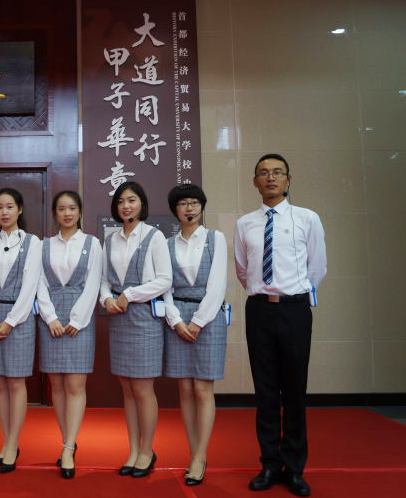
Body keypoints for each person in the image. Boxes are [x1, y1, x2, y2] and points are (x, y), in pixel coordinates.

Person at [234, 154, 326, 497]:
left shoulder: (307, 218)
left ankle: (295, 467)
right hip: (259, 311)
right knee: (266, 392)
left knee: (295, 391)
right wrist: (264, 293)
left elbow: (317, 267)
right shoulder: (245, 223)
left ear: (288, 179)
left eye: (277, 172)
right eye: (263, 173)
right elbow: (242, 270)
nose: (270, 177)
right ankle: (270, 464)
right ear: (255, 182)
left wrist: (294, 294)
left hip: (294, 311)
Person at [100, 181, 173, 478]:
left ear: (141, 203)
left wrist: (129, 295)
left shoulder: (154, 237)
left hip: (144, 318)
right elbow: (104, 280)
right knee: (127, 388)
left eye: (131, 200)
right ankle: (132, 449)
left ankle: (147, 450)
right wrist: (106, 298)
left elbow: (165, 280)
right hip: (119, 318)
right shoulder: (111, 240)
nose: (126, 206)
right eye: (121, 201)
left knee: (143, 388)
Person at [162, 184, 227, 486]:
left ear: (202, 207)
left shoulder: (216, 238)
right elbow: (164, 286)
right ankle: (192, 453)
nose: (189, 208)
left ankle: (201, 456)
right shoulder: (166, 244)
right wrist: (176, 321)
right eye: (183, 204)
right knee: (185, 390)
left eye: (194, 203)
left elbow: (217, 285)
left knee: (203, 389)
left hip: (208, 318)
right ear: (175, 210)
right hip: (177, 318)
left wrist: (198, 321)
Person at [36, 190, 102, 479]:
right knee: (57, 385)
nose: (67, 213)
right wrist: (50, 317)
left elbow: (94, 282)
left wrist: (78, 318)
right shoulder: (44, 245)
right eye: (61, 209)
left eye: (72, 208)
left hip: (80, 319)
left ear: (79, 211)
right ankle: (68, 442)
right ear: (55, 213)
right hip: (50, 318)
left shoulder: (92, 243)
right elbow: (38, 282)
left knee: (75, 384)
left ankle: (67, 448)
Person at [0, 187, 42, 474]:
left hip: (20, 319)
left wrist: (12, 320)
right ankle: (6, 443)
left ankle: (14, 444)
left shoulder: (32, 242)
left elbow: (30, 287)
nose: (4, 212)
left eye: (9, 207)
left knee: (16, 382)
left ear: (20, 210)